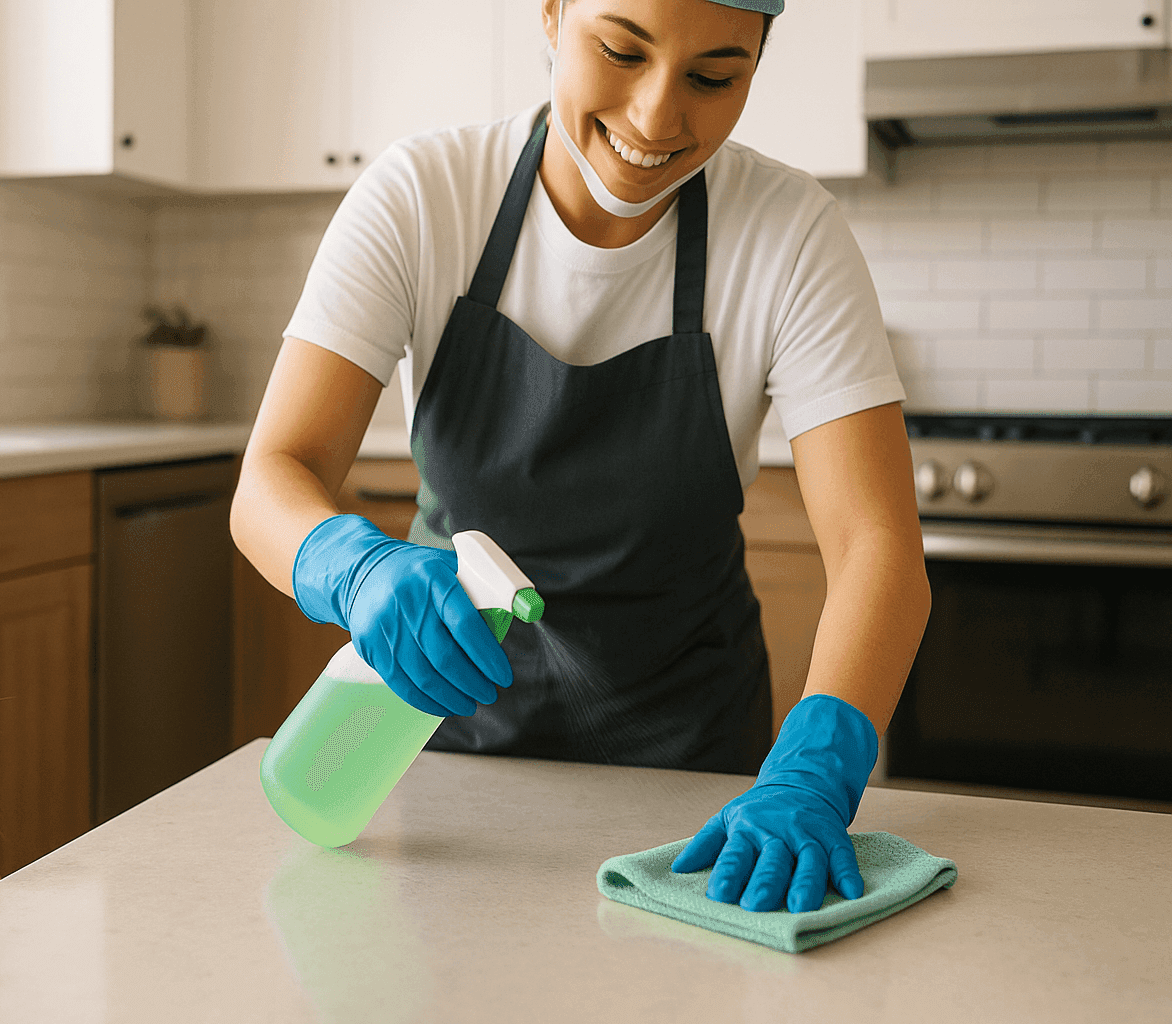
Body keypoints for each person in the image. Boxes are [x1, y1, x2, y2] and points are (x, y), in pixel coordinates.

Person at [230, 0, 930, 915]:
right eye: (620, 50)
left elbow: (879, 547)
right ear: (553, 13)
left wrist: (816, 764)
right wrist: (350, 565)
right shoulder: (424, 194)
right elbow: (273, 476)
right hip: (452, 765)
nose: (656, 117)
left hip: (696, 795)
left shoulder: (789, 234)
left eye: (715, 77)